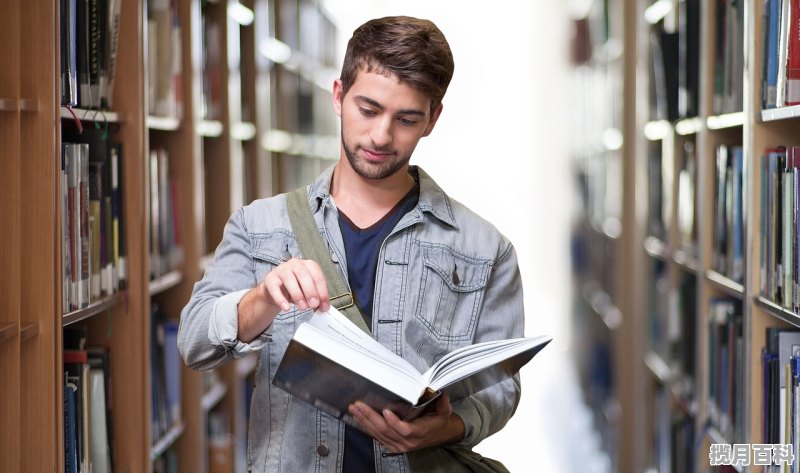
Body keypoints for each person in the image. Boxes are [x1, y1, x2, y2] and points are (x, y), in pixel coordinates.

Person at [178, 15, 524, 472]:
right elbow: (195, 342)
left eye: (406, 119)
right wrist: (261, 297)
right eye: (369, 109)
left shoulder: (485, 249)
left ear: (433, 119)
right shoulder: (260, 225)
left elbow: (501, 389)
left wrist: (449, 426)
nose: (382, 136)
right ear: (339, 96)